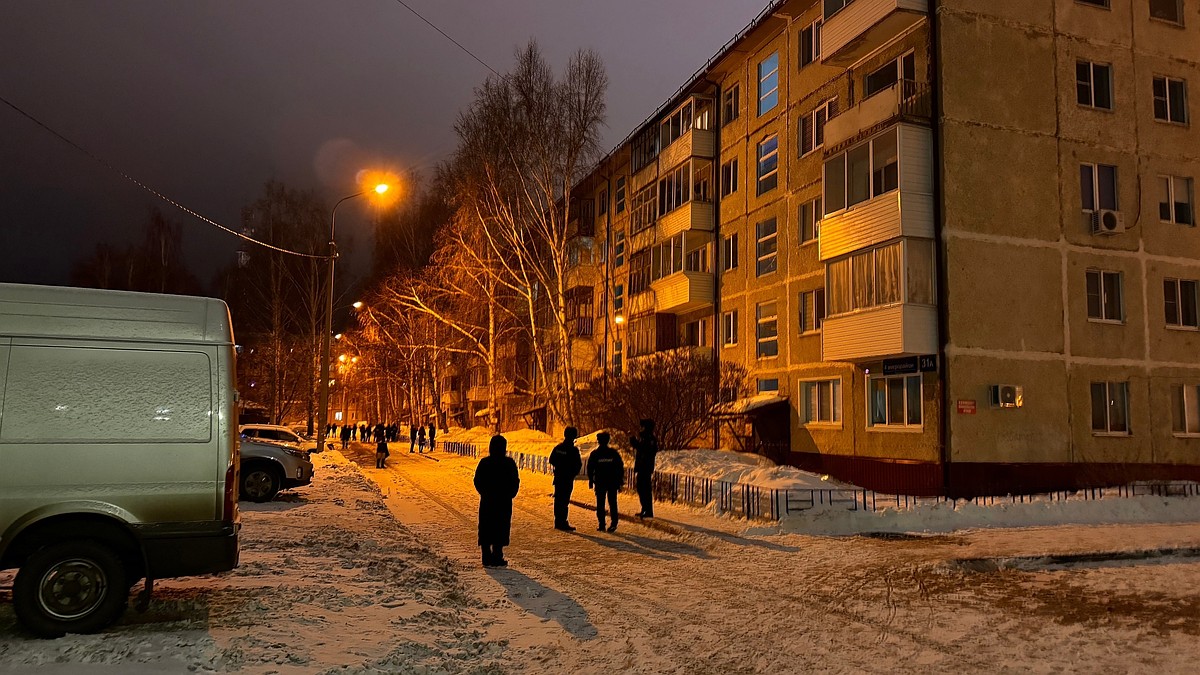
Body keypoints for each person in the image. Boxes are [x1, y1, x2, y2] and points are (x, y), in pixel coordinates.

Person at [473, 435, 520, 567]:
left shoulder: (485, 462)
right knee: (501, 526)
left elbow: (477, 480)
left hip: (488, 501)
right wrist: (510, 494)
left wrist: (485, 492)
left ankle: (486, 556)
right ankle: (497, 556)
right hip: (503, 502)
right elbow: (515, 481)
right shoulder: (509, 463)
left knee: (486, 526)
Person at [587, 432, 623, 533]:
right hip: (612, 482)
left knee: (600, 503)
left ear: (598, 441)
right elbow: (620, 468)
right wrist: (620, 481)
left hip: (600, 482)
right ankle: (613, 523)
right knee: (613, 503)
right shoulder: (613, 453)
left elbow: (590, 468)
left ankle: (602, 524)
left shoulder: (595, 454)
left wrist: (591, 480)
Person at [548, 427, 583, 531]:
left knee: (558, 500)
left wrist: (559, 466)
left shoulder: (558, 448)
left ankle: (558, 521)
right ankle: (562, 522)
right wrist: (572, 473)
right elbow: (578, 465)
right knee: (564, 501)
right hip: (567, 479)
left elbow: (552, 459)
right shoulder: (573, 450)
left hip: (558, 477)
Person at [630, 418, 659, 518]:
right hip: (644, 467)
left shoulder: (649, 439)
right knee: (642, 489)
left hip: (645, 467)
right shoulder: (646, 438)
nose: (641, 429)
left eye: (642, 427)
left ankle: (648, 510)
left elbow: (645, 450)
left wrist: (635, 443)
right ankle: (645, 509)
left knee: (644, 489)